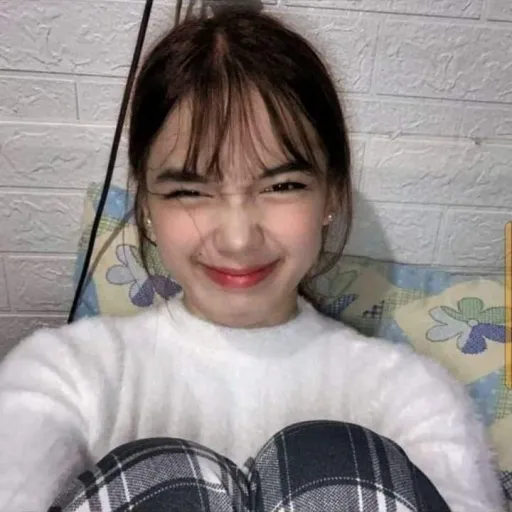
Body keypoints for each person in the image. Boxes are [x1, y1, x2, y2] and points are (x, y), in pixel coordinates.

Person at [0, 8, 506, 512]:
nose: (239, 239)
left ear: (332, 193)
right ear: (146, 206)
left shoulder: (411, 396)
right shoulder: (63, 374)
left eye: (282, 186)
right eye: (188, 191)